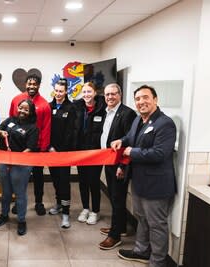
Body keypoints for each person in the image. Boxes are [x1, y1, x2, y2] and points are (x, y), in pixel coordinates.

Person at [112, 85, 177, 267]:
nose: (141, 102)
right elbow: (131, 137)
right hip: (139, 182)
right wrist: (122, 141)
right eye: (138, 99)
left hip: (156, 186)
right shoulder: (139, 120)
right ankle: (141, 251)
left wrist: (131, 152)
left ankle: (158, 261)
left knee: (157, 225)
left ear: (155, 100)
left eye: (145, 97)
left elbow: (159, 154)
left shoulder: (165, 123)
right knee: (141, 218)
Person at [98, 83, 136, 250]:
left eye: (113, 94)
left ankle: (114, 236)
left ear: (120, 94)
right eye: (107, 95)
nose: (110, 97)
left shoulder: (127, 113)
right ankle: (120, 227)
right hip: (109, 161)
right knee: (114, 197)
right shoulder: (108, 111)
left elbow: (130, 140)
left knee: (117, 198)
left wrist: (123, 165)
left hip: (119, 164)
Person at [0, 99, 39, 235]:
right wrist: (1, 133)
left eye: (26, 109)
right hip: (5, 162)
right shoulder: (10, 120)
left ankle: (21, 220)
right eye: (21, 108)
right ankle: (4, 214)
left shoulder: (33, 128)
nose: (22, 111)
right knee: (5, 192)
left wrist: (16, 159)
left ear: (30, 112)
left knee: (20, 194)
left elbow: (30, 148)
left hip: (21, 166)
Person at [9, 74, 51, 216]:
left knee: (38, 177)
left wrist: (43, 148)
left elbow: (46, 127)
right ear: (25, 84)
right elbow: (11, 121)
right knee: (18, 177)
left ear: (38, 86)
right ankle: (17, 202)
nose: (32, 86)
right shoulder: (16, 100)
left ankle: (39, 202)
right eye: (29, 84)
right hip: (19, 148)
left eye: (35, 84)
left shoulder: (44, 104)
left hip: (37, 148)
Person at [74, 82, 106, 225]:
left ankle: (95, 211)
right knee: (83, 182)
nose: (86, 95)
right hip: (81, 152)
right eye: (84, 92)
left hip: (96, 153)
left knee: (93, 182)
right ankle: (85, 208)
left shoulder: (103, 108)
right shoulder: (78, 107)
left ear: (95, 93)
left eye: (89, 92)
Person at [47, 78, 77, 228]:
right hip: (51, 152)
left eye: (61, 91)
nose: (58, 93)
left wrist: (61, 150)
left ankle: (66, 214)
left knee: (64, 182)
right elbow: (46, 129)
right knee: (56, 180)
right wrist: (50, 147)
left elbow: (71, 132)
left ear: (66, 92)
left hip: (64, 153)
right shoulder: (49, 106)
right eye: (56, 90)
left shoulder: (71, 108)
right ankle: (58, 204)